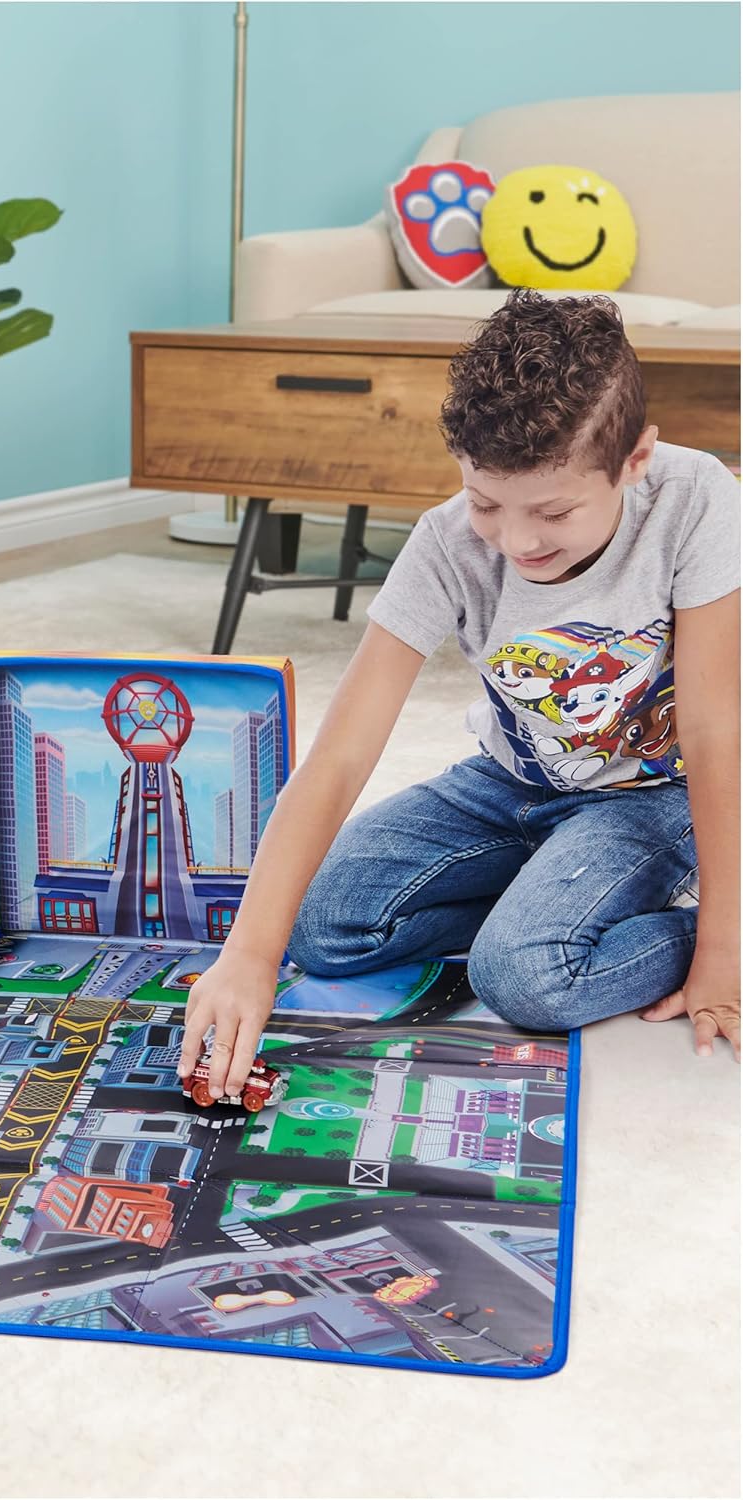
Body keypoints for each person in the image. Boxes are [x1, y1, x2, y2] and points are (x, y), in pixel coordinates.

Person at [180, 289, 740, 1092]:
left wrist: (726, 946)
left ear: (634, 461)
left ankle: (660, 920)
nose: (516, 541)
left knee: (522, 979)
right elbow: (339, 757)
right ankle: (547, 906)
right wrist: (247, 957)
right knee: (317, 924)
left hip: (654, 796)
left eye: (552, 511)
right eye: (485, 503)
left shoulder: (695, 499)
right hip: (509, 786)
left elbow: (719, 730)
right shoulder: (445, 544)